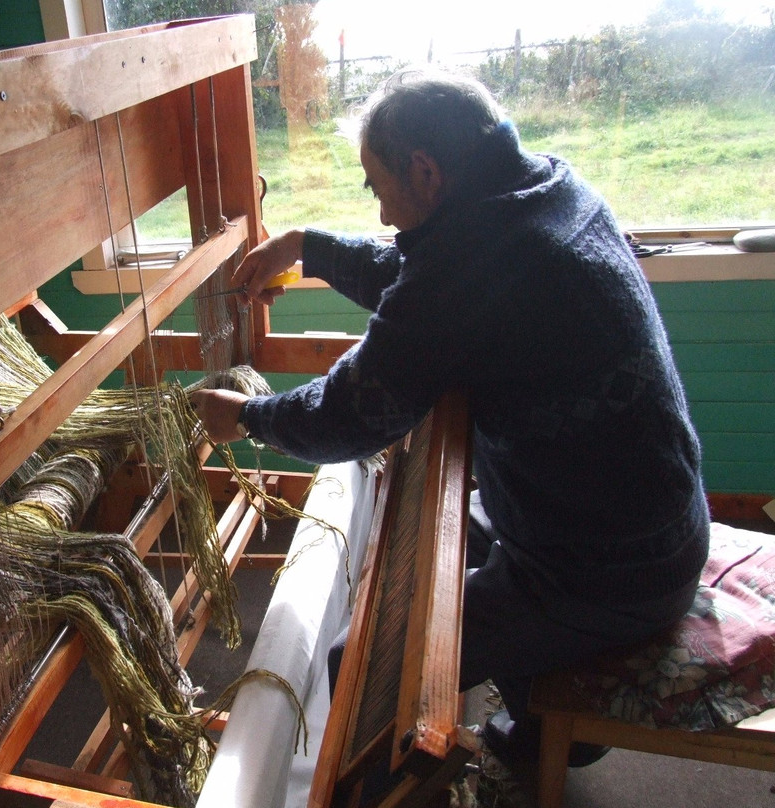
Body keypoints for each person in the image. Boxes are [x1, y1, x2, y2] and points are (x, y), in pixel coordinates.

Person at [189, 69, 710, 770]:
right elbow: (428, 281)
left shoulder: (478, 261)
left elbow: (352, 414)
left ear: (426, 171)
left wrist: (246, 417)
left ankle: (423, 769)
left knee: (362, 665)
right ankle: (553, 719)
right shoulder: (546, 190)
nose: (380, 215)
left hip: (609, 571)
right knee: (458, 530)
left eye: (378, 188)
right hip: (658, 524)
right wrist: (306, 246)